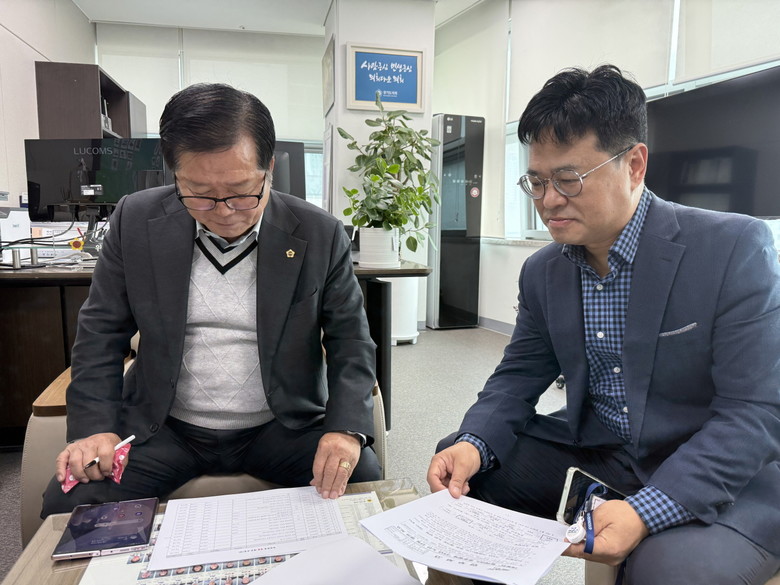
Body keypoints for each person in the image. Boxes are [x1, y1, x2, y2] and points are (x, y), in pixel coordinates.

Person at [427, 65, 780, 584]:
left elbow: (754, 412)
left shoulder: (732, 248)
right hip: (604, 452)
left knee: (666, 570)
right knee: (463, 468)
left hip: (716, 467)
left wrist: (646, 510)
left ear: (634, 165)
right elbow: (517, 377)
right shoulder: (544, 271)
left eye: (568, 180)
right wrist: (473, 441)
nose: (549, 200)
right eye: (536, 182)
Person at [41, 83, 381, 517]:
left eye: (241, 191)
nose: (223, 211)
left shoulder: (319, 232)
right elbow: (100, 333)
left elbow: (351, 341)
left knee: (362, 481)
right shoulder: (135, 220)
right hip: (164, 427)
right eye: (199, 193)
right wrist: (94, 429)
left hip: (282, 425)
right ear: (174, 175)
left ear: (269, 168)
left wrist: (346, 429)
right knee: (70, 502)